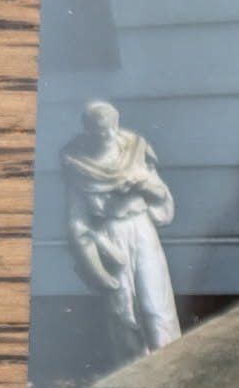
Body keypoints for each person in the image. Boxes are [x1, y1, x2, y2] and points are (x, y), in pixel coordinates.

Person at [61, 100, 181, 364]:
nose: (104, 135)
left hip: (141, 229)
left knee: (155, 304)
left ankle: (170, 363)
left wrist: (144, 183)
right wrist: (93, 263)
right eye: (98, 130)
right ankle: (134, 372)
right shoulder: (78, 163)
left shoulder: (135, 150)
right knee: (123, 309)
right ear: (87, 130)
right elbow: (77, 220)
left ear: (116, 125)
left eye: (108, 129)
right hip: (109, 235)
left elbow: (161, 198)